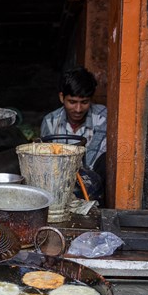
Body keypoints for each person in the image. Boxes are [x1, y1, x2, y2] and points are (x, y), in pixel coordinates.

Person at [40, 66, 107, 201]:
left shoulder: (102, 117)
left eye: (84, 102)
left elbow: (92, 163)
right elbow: (45, 162)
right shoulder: (50, 121)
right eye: (72, 102)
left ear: (91, 100)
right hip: (59, 186)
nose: (78, 109)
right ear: (61, 97)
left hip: (93, 186)